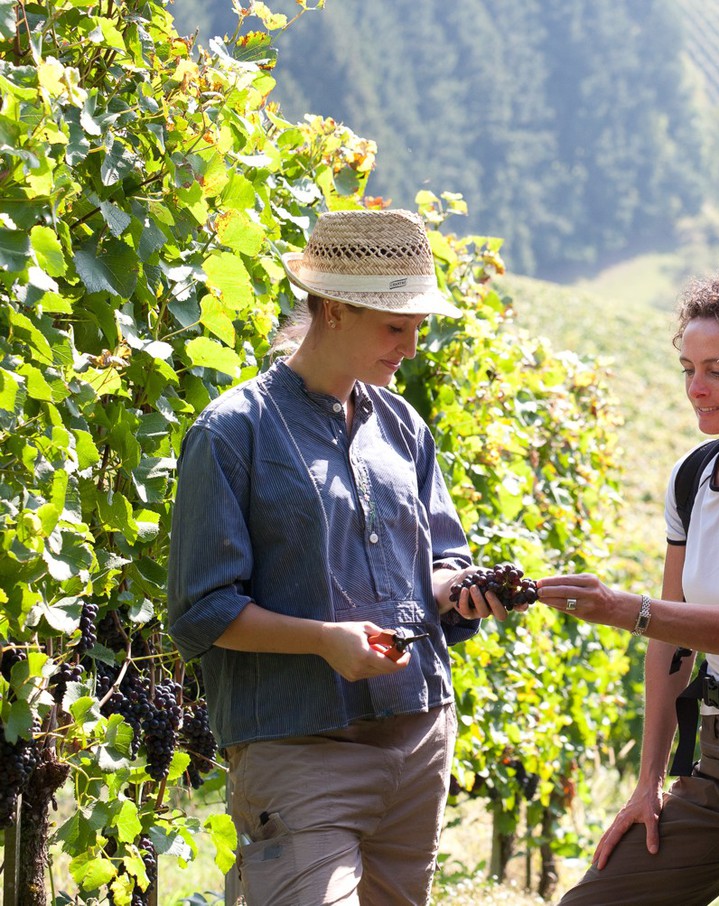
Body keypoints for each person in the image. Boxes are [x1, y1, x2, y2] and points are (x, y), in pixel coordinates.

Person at [168, 209, 513, 905]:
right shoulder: (233, 433)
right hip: (298, 749)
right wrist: (325, 641)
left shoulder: (404, 426)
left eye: (417, 328)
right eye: (395, 328)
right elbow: (202, 610)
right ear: (332, 310)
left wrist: (456, 589)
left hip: (418, 739)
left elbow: (442, 556)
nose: (410, 348)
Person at [537, 273, 719, 906]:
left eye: (718, 371)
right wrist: (648, 784)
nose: (696, 388)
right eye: (688, 369)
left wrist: (617, 607)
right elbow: (671, 642)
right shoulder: (693, 477)